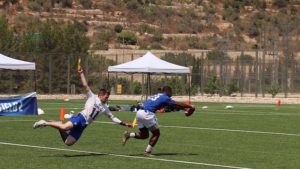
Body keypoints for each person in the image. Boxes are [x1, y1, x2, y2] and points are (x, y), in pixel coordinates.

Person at [33, 67, 132, 146]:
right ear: (100, 95)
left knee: (68, 142)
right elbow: (85, 86)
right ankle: (44, 122)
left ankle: (58, 125)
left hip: (84, 125)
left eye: (108, 97)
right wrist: (81, 73)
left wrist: (125, 124)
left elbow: (113, 118)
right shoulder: (92, 97)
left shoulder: (105, 108)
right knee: (64, 127)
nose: (107, 98)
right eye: (106, 97)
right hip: (80, 118)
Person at [121, 86, 195, 156]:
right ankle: (147, 152)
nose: (171, 95)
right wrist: (190, 106)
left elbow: (173, 105)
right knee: (156, 133)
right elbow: (176, 103)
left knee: (144, 135)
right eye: (171, 92)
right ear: (168, 91)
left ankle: (128, 134)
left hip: (139, 112)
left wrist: (184, 108)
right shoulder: (165, 97)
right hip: (147, 113)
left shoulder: (158, 95)